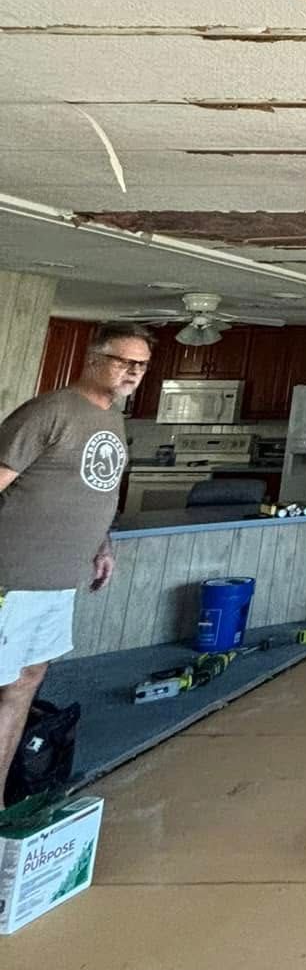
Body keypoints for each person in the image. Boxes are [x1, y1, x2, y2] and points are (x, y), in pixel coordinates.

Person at [0, 323, 150, 798]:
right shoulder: (49, 412)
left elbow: (94, 490)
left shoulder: (113, 419)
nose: (133, 372)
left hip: (58, 581)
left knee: (25, 682)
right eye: (124, 361)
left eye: (141, 365)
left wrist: (102, 544)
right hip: (10, 577)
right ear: (94, 359)